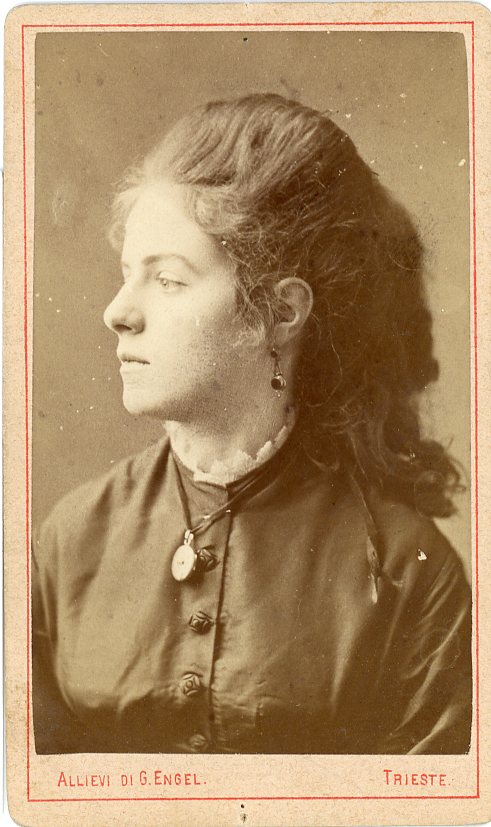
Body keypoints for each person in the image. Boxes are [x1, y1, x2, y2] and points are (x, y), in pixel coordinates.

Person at [32, 93, 472, 755]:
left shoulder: (404, 571)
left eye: (168, 280)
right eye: (128, 275)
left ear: (280, 312)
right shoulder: (71, 540)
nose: (118, 312)